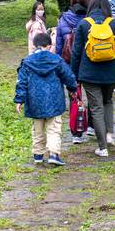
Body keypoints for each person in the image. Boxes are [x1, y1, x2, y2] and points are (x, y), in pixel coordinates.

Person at [70, 0, 115, 157]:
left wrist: (73, 77)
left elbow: (76, 53)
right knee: (108, 102)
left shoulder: (84, 24)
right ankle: (109, 135)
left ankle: (102, 147)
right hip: (111, 73)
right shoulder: (114, 24)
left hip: (89, 74)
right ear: (107, 7)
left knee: (96, 107)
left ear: (91, 7)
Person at [14, 31, 77, 167]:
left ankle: (38, 155)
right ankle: (54, 154)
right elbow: (69, 76)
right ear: (49, 45)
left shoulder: (27, 61)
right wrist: (73, 89)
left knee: (37, 128)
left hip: (34, 99)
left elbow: (22, 81)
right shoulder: (56, 60)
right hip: (54, 99)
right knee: (54, 127)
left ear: (35, 45)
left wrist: (19, 100)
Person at [55, 0, 91, 143]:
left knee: (74, 96)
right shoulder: (91, 20)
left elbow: (58, 45)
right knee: (93, 96)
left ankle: (76, 132)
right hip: (90, 63)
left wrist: (58, 65)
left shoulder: (64, 19)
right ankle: (92, 127)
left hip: (69, 63)